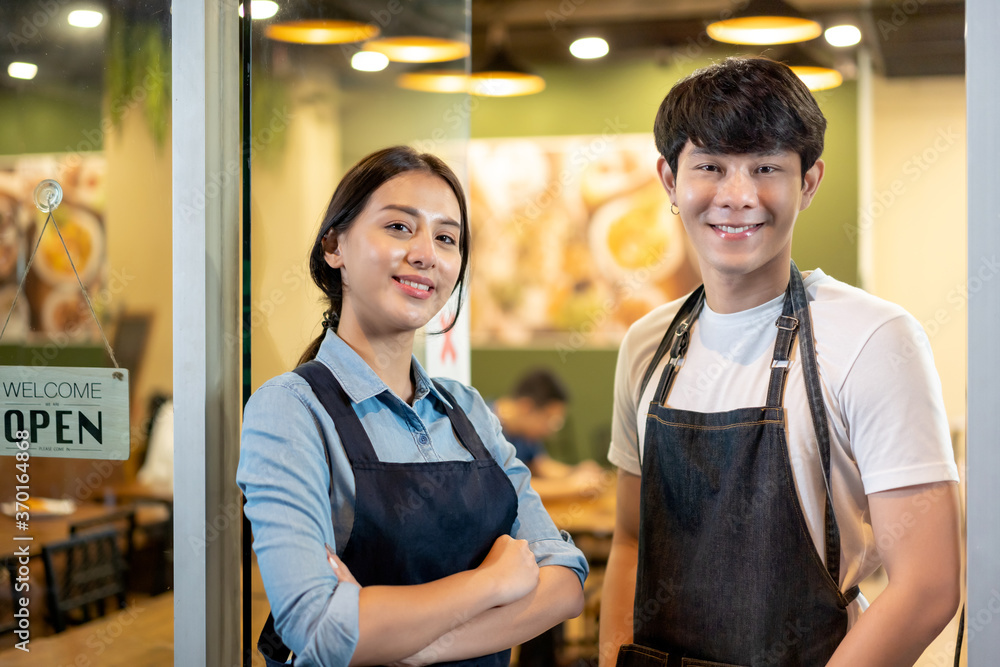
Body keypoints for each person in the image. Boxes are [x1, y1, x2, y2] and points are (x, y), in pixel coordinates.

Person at [599, 57, 961, 667]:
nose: (737, 197)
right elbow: (632, 540)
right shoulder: (647, 344)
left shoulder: (876, 338)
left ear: (809, 182)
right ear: (669, 180)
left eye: (766, 167)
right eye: (709, 167)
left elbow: (927, 587)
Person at [238, 146, 588, 667]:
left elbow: (564, 582)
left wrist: (409, 647)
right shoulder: (290, 410)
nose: (426, 253)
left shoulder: (467, 410)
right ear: (334, 245)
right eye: (400, 228)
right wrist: (492, 583)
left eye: (446, 238)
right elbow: (317, 630)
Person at [492, 367, 604, 501]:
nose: (551, 430)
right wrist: (571, 486)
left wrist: (576, 472)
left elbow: (539, 465)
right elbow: (506, 487)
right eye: (550, 420)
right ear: (526, 407)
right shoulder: (485, 428)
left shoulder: (524, 431)